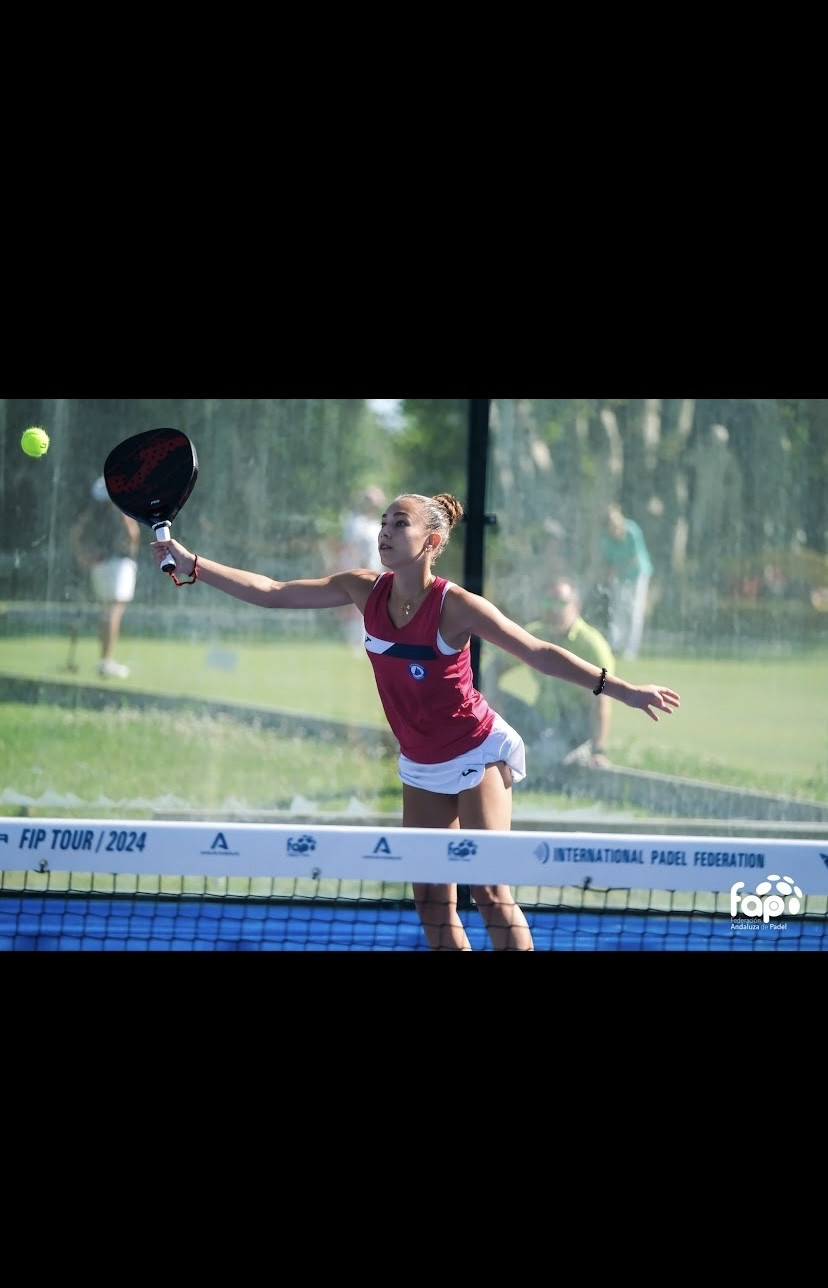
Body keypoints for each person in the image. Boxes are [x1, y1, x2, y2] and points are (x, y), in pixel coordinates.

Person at [151, 491, 680, 952]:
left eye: (398, 523)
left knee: (489, 890)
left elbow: (538, 651)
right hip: (421, 762)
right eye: (383, 522)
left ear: (432, 541)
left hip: (477, 750)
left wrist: (624, 690)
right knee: (430, 902)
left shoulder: (457, 606)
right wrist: (193, 563)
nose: (384, 531)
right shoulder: (362, 589)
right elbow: (272, 592)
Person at [487, 577, 615, 769]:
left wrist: (598, 750)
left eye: (561, 603)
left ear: (576, 606)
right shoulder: (535, 634)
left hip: (573, 729)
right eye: (548, 602)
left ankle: (574, 753)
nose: (554, 609)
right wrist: (493, 702)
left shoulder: (593, 646)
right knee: (480, 696)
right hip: (540, 720)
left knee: (546, 757)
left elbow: (602, 700)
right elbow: (494, 667)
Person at [70, 476, 140, 679]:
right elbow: (132, 531)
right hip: (119, 563)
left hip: (98, 563)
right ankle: (106, 662)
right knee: (114, 611)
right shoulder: (121, 505)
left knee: (106, 611)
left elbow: (75, 533)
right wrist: (133, 548)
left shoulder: (92, 509)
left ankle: (104, 659)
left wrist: (82, 556)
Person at [599, 502, 653, 660]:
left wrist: (619, 571)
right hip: (620, 576)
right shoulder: (605, 537)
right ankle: (615, 645)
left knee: (634, 610)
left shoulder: (632, 531)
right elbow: (607, 561)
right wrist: (610, 575)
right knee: (618, 609)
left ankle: (631, 649)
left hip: (638, 575)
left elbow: (635, 559)